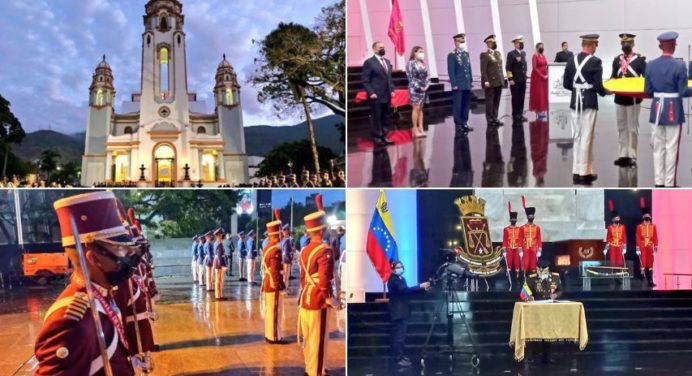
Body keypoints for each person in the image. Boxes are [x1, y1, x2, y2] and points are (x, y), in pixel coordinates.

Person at [34, 192, 140, 375]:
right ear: (95, 257)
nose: (129, 257)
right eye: (122, 250)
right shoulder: (72, 324)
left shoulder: (103, 294)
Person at [298, 194, 340, 376]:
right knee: (319, 339)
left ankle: (311, 367)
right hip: (318, 300)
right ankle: (316, 372)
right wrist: (331, 300)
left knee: (309, 339)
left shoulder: (305, 250)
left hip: (306, 298)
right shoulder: (324, 250)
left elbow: (303, 278)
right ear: (322, 230)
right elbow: (324, 280)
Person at [644, 31, 692, 187]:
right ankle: (669, 182)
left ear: (660, 46)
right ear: (674, 46)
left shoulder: (650, 65)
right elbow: (683, 91)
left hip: (656, 108)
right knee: (671, 147)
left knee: (658, 147)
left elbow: (648, 90)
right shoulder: (679, 65)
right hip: (673, 110)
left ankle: (658, 181)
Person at [563, 34, 610, 185]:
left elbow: (566, 84)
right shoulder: (595, 62)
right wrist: (606, 92)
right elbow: (597, 86)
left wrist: (577, 89)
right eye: (596, 44)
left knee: (576, 136)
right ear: (591, 45)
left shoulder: (571, 60)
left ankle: (576, 171)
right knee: (586, 138)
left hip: (574, 102)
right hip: (589, 101)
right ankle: (585, 172)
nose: (596, 47)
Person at [611, 33, 647, 168]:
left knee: (632, 128)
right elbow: (613, 77)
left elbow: (645, 79)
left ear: (632, 44)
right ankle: (622, 154)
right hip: (619, 98)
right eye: (623, 43)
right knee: (621, 127)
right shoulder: (616, 60)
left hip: (633, 100)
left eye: (628, 43)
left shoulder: (639, 61)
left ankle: (632, 155)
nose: (625, 45)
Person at [387, 260, 431, 367]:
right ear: (392, 269)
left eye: (401, 266)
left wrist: (422, 289)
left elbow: (408, 292)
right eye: (397, 267)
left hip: (403, 311)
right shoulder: (393, 280)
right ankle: (398, 358)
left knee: (401, 336)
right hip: (398, 312)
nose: (400, 268)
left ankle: (401, 356)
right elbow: (404, 290)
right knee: (399, 337)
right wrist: (419, 286)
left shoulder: (401, 279)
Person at [523, 259, 563, 364]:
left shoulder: (555, 277)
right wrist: (529, 297)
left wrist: (556, 295)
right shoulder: (531, 278)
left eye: (543, 270)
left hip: (549, 310)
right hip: (535, 310)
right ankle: (531, 356)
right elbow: (523, 293)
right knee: (534, 334)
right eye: (538, 269)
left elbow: (560, 290)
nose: (540, 271)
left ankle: (547, 356)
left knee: (548, 334)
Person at [362, 41, 395, 146]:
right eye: (380, 47)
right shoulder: (369, 62)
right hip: (375, 95)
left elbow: (389, 78)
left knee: (386, 116)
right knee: (376, 117)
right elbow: (365, 80)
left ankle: (384, 136)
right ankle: (377, 138)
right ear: (374, 49)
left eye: (383, 47)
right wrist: (371, 92)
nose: (382, 49)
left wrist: (392, 89)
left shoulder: (387, 61)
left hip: (387, 94)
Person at [262, 209, 287, 344]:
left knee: (270, 310)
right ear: (277, 234)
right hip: (273, 283)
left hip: (267, 281)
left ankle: (269, 334)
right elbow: (275, 270)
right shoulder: (275, 249)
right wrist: (279, 286)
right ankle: (274, 337)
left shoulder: (267, 247)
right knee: (275, 311)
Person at [447, 33, 473, 132]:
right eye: (460, 41)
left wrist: (470, 81)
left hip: (466, 84)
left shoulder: (466, 54)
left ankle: (464, 122)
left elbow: (468, 69)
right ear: (456, 43)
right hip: (458, 85)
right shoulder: (452, 55)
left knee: (466, 104)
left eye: (463, 41)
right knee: (458, 105)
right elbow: (451, 71)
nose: (462, 43)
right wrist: (454, 84)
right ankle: (458, 124)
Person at [480, 34, 505, 126]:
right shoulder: (485, 55)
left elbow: (500, 67)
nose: (494, 44)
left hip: (498, 81)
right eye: (492, 42)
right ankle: (490, 119)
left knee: (496, 101)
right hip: (490, 82)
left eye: (494, 42)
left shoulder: (497, 53)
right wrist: (486, 80)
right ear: (488, 44)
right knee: (490, 101)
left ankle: (495, 117)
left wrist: (503, 78)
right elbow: (483, 69)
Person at [406, 46, 430, 138]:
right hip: (415, 89)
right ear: (414, 53)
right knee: (416, 109)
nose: (422, 53)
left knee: (420, 109)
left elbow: (427, 76)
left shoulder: (422, 63)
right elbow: (411, 78)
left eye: (422, 51)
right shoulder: (410, 64)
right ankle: (414, 128)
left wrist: (427, 85)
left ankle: (421, 128)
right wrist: (419, 87)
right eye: (420, 51)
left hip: (424, 89)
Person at [636, 198, 658, 287]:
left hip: (650, 246)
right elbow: (637, 237)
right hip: (642, 245)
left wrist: (656, 245)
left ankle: (650, 280)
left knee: (650, 263)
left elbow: (655, 236)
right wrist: (637, 247)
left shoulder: (653, 226)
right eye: (647, 215)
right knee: (643, 262)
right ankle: (643, 279)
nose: (648, 216)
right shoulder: (639, 227)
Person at [506, 36, 528, 122]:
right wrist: (510, 78)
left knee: (521, 97)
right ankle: (515, 114)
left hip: (522, 79)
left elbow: (524, 66)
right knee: (515, 98)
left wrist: (525, 75)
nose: (521, 44)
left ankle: (520, 113)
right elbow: (508, 67)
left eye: (521, 43)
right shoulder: (511, 54)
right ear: (515, 44)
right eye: (519, 43)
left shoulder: (523, 53)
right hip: (515, 80)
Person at [502, 202, 523, 288]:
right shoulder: (506, 229)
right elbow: (504, 239)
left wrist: (521, 249)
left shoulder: (519, 229)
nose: (513, 221)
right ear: (510, 220)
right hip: (509, 248)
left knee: (517, 262)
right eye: (512, 219)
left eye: (515, 219)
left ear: (516, 220)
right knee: (509, 262)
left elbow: (521, 239)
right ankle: (508, 276)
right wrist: (504, 250)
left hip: (517, 248)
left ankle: (518, 276)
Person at [519, 196, 542, 274]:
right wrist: (520, 250)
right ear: (527, 217)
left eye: (532, 216)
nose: (531, 217)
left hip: (534, 248)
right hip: (525, 248)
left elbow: (539, 239)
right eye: (529, 216)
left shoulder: (537, 227)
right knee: (525, 264)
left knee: (533, 265)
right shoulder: (522, 228)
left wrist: (539, 250)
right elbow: (520, 239)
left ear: (534, 217)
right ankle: (524, 280)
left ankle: (532, 281)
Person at [529, 42, 549, 120]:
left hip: (545, 77)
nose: (542, 48)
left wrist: (547, 74)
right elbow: (535, 68)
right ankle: (538, 111)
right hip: (537, 77)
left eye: (542, 47)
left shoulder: (543, 56)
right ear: (537, 48)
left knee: (543, 94)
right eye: (540, 47)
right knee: (538, 94)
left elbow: (546, 66)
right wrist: (542, 76)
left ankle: (543, 110)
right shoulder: (535, 56)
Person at [604, 200, 626, 268]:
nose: (617, 219)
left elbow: (624, 237)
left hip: (620, 246)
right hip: (612, 246)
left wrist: (624, 248)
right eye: (616, 218)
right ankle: (613, 276)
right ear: (613, 219)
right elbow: (608, 238)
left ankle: (618, 275)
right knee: (612, 261)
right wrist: (606, 248)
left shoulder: (622, 227)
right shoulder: (610, 227)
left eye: (618, 218)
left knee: (619, 261)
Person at [213, 228, 227, 299]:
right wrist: (222, 265)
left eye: (221, 235)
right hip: (218, 264)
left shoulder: (218, 243)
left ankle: (220, 295)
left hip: (218, 263)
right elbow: (219, 256)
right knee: (218, 280)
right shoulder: (218, 243)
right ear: (217, 235)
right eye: (220, 235)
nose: (222, 236)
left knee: (219, 280)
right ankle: (218, 296)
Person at [280, 224, 295, 289]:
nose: (283, 232)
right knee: (286, 274)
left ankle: (285, 286)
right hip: (285, 258)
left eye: (284, 231)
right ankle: (285, 286)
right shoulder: (285, 240)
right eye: (283, 231)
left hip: (286, 258)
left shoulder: (288, 239)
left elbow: (292, 249)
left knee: (286, 274)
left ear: (287, 231)